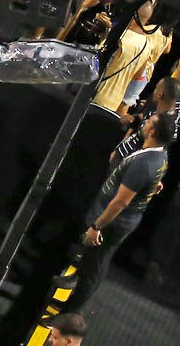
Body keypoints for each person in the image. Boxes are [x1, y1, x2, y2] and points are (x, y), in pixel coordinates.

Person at [64, 110, 174, 308]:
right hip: (120, 218)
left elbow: (120, 202)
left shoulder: (144, 164)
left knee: (94, 268)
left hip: (114, 222)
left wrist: (97, 226)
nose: (146, 122)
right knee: (90, 260)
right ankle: (75, 280)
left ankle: (69, 312)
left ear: (153, 132)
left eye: (150, 122)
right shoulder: (159, 154)